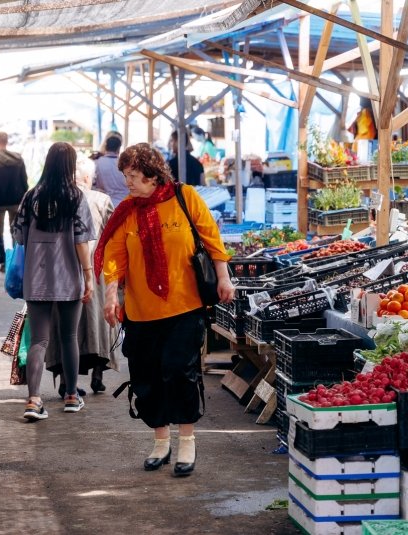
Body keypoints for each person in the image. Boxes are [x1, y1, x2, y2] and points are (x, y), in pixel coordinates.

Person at [94, 143, 234, 477]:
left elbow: (212, 239)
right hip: (142, 313)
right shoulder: (126, 211)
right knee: (148, 377)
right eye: (125, 175)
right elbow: (115, 257)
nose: (128, 182)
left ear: (153, 174)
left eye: (133, 175)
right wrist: (112, 295)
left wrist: (224, 277)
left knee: (179, 371)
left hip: (185, 306)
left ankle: (187, 441)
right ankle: (160, 441)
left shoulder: (184, 198)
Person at [11, 142, 95, 421]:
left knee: (39, 340)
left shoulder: (31, 197)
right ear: (70, 166)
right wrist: (88, 275)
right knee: (70, 336)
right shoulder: (76, 197)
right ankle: (71, 395)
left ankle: (34, 400)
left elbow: (19, 236)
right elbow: (82, 241)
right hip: (69, 276)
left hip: (36, 277)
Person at [45, 156, 119, 397]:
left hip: (62, 272)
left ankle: (68, 380)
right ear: (88, 178)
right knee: (97, 324)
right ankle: (97, 375)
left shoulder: (56, 200)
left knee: (67, 328)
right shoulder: (101, 199)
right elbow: (113, 236)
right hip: (95, 271)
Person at [0, 131, 28, 272]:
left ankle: (3, 262)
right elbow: (24, 181)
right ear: (7, 141)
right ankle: (16, 262)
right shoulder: (18, 158)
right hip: (16, 200)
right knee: (16, 231)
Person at [93, 131, 128, 207]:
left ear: (106, 146)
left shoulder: (97, 163)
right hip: (125, 204)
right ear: (119, 148)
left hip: (106, 205)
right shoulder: (126, 164)